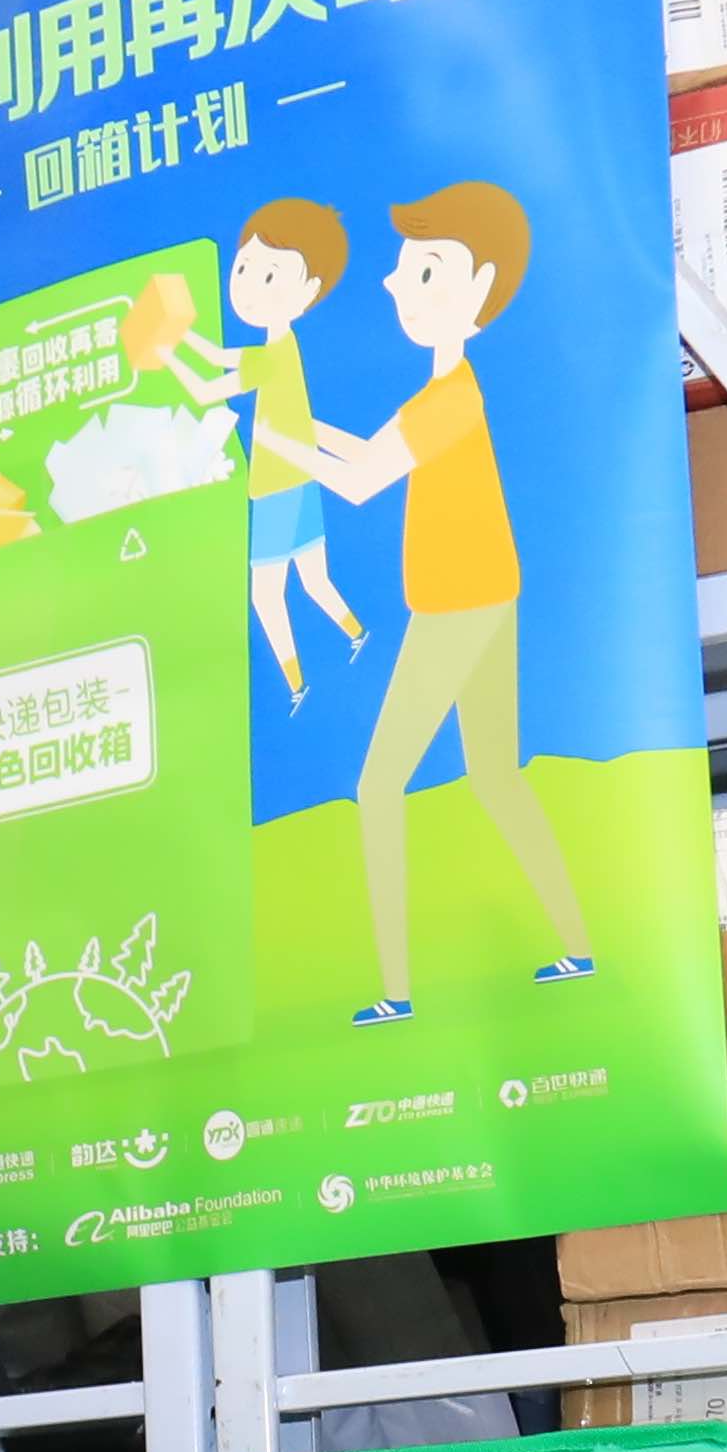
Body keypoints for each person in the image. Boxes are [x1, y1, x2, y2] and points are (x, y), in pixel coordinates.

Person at [289, 177, 604, 1024]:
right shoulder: (444, 397)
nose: (395, 283)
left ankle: (395, 991)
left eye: (424, 271)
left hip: (458, 607)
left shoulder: (450, 399)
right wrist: (295, 426)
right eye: (403, 269)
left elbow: (358, 482)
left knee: (378, 785)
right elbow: (366, 451)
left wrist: (278, 441)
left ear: (478, 294)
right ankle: (576, 945)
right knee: (495, 774)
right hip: (485, 597)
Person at [206, 199, 372, 703]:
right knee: (314, 580)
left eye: (270, 275)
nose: (249, 285)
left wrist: (170, 356)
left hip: (278, 490)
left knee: (266, 596)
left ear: (307, 293)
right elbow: (220, 358)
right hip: (298, 484)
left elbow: (211, 383)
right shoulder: (282, 348)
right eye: (243, 268)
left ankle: (297, 683)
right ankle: (355, 634)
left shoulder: (275, 356)